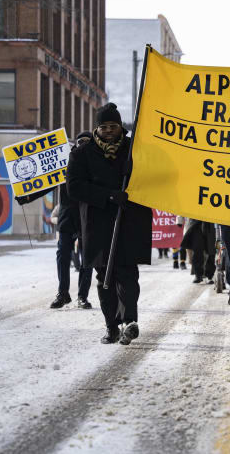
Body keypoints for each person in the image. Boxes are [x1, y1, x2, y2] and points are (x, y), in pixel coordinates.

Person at [67, 103, 152, 345]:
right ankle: (111, 327)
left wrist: (133, 181)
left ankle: (129, 321)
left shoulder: (135, 150)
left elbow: (152, 176)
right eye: (103, 127)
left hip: (129, 220)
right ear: (97, 128)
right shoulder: (81, 153)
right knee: (105, 277)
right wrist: (108, 195)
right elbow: (74, 187)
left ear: (120, 127)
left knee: (127, 273)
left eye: (113, 126)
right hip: (98, 224)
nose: (108, 131)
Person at [50, 131, 94, 309]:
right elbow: (45, 182)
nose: (83, 145)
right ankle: (63, 293)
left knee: (87, 258)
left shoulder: (97, 164)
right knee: (62, 255)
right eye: (80, 142)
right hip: (67, 217)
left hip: (87, 217)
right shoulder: (65, 162)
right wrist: (26, 196)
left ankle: (82, 296)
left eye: (87, 142)